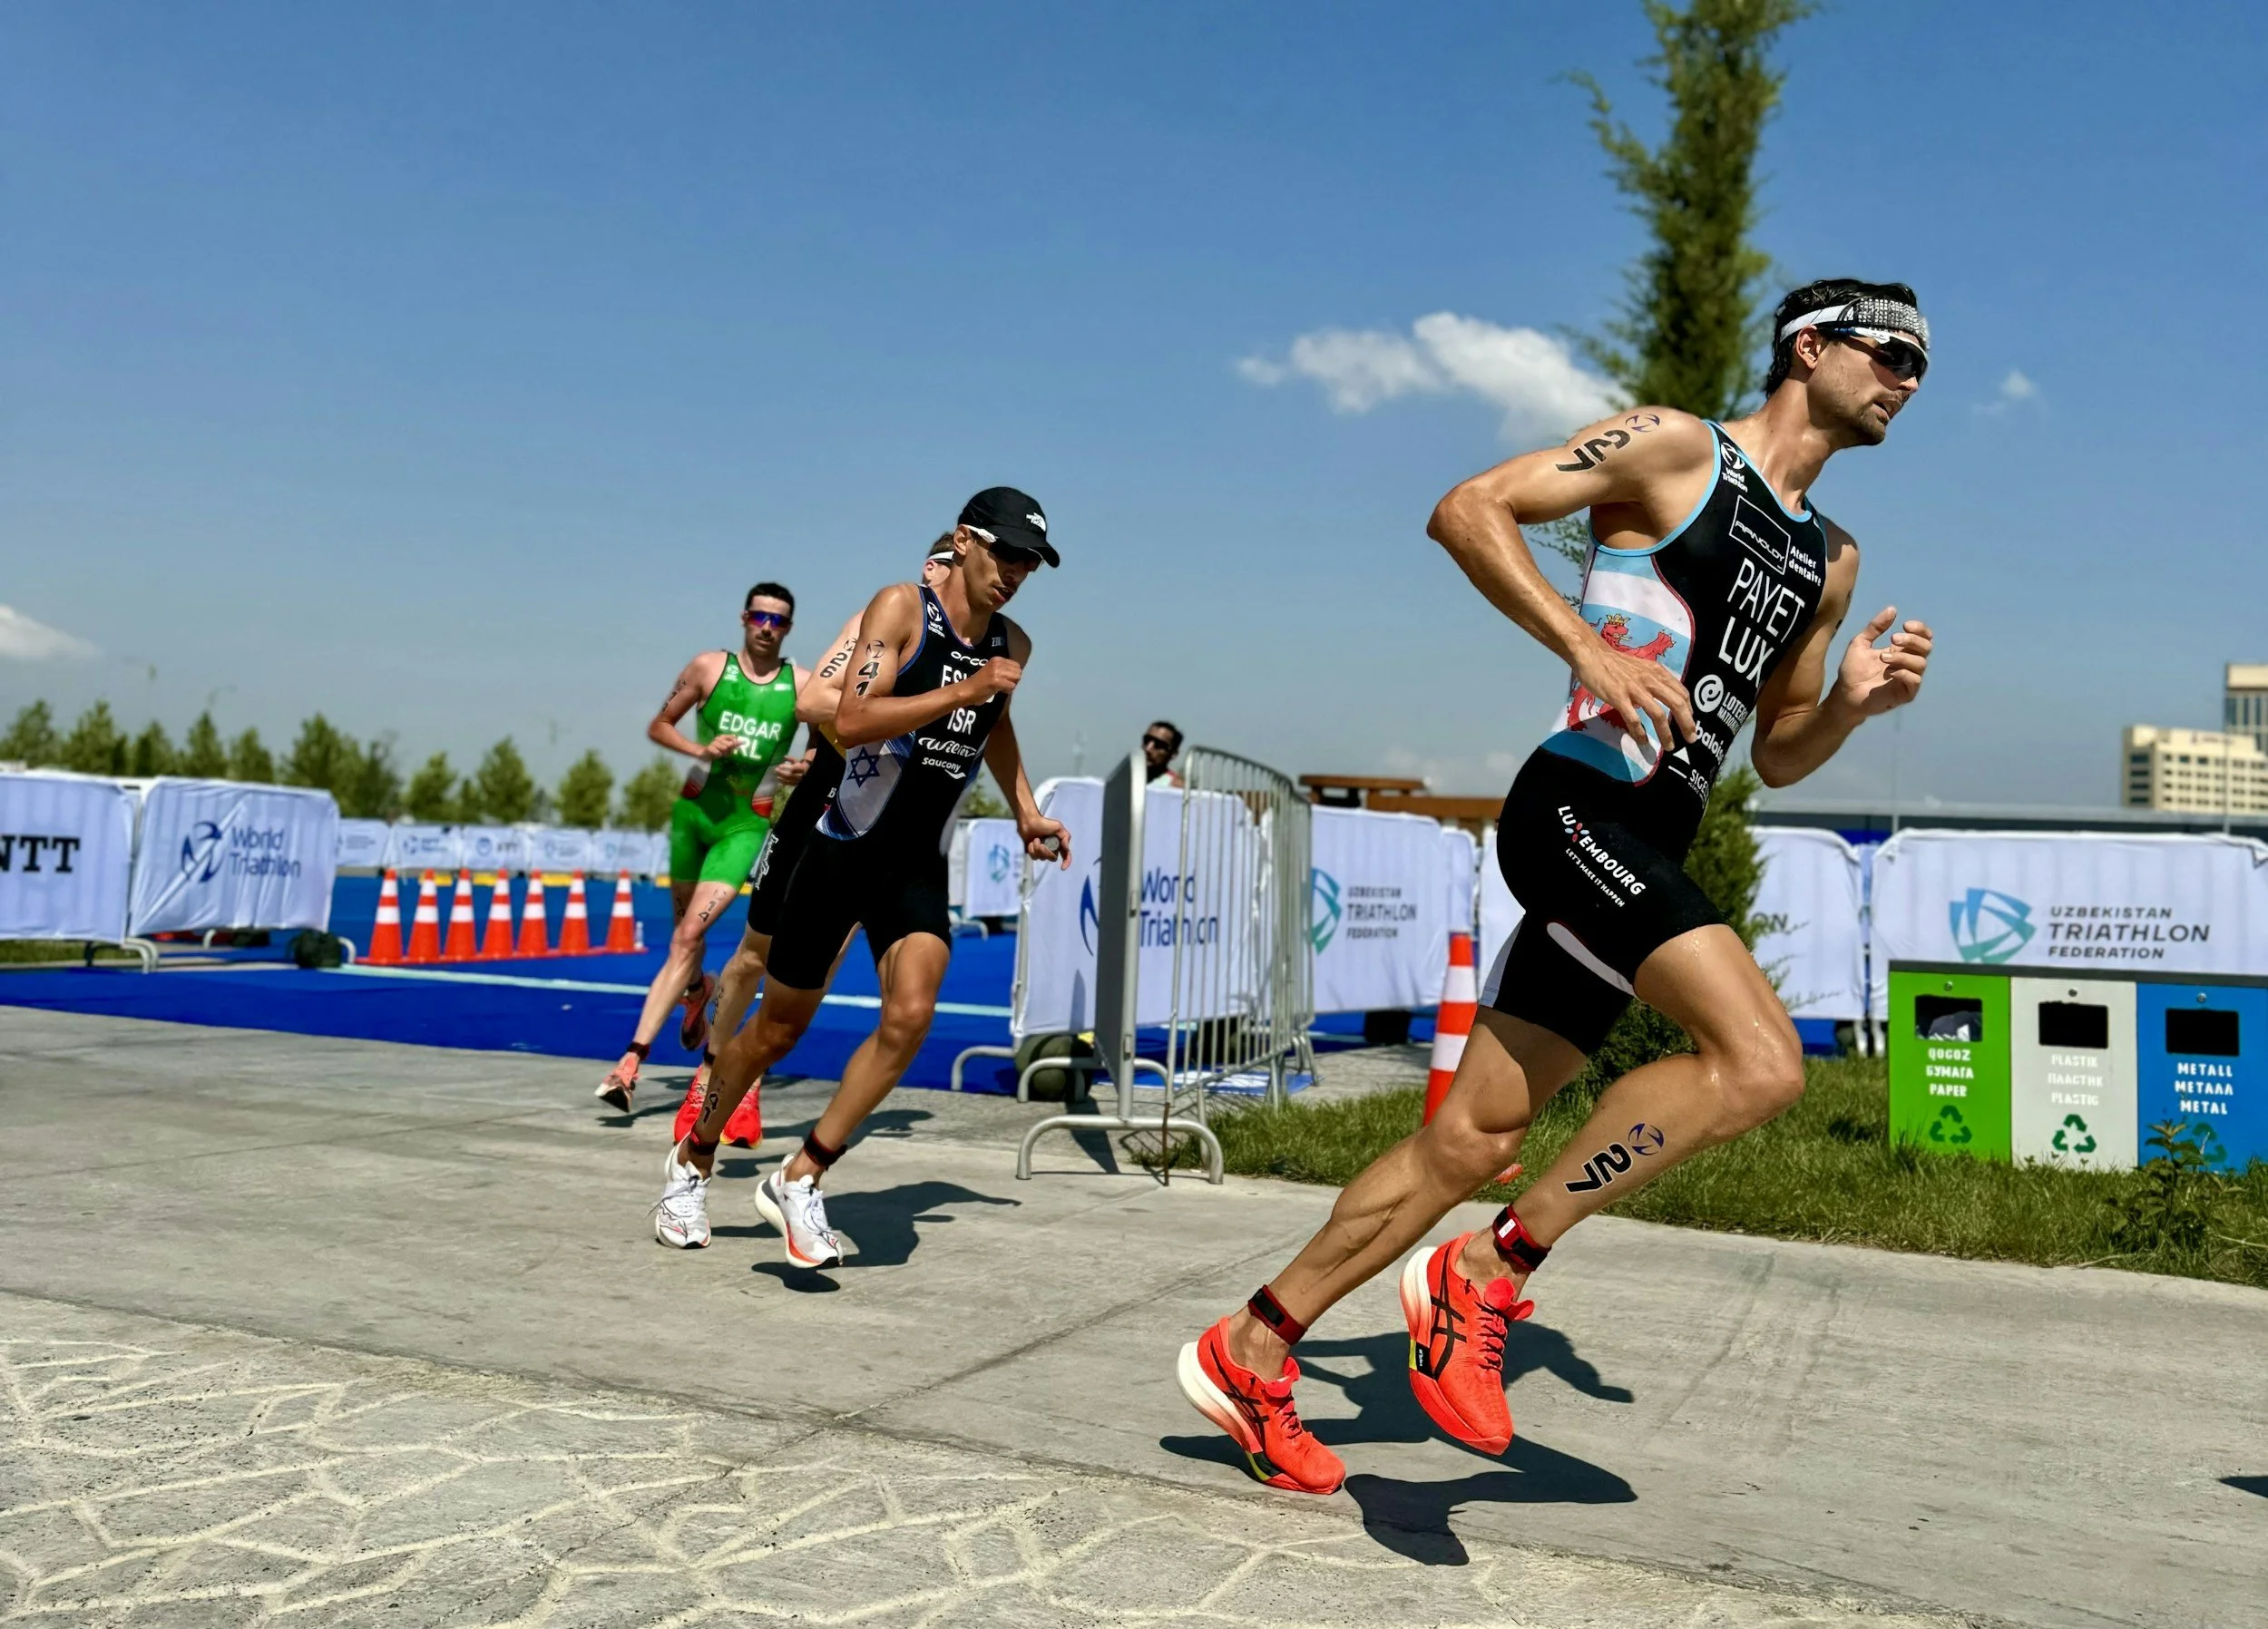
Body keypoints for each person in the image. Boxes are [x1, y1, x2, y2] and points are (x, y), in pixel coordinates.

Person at [1176, 278, 1938, 1495]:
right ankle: (1489, 1270)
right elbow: (1468, 510)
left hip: (1650, 841)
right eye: (1891, 350)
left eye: (1921, 368)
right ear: (1810, 345)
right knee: (1762, 1062)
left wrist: (1849, 701)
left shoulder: (1830, 561)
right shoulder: (1680, 448)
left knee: (1470, 1141)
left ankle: (1252, 1347)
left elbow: (1780, 753)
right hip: (1576, 808)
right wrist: (1584, 647)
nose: (1907, 378)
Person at [653, 488, 1072, 1253]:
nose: (1014, 573)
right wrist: (965, 688)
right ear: (964, 540)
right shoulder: (901, 610)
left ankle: (803, 1173)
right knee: (775, 1034)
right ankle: (693, 1157)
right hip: (844, 843)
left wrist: (1024, 811)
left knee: (911, 1012)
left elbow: (995, 725)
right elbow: (846, 717)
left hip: (913, 856)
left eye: (1029, 563)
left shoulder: (1014, 644)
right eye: (1004, 553)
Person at [674, 536, 961, 1147]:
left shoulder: (973, 649)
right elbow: (811, 701)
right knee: (755, 953)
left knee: (815, 970)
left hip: (881, 814)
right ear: (930, 566)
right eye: (947, 566)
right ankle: (710, 1075)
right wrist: (901, 710)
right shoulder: (881, 616)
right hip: (825, 791)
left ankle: (743, 1088)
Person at [595, 583, 829, 1112]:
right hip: (694, 815)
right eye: (760, 617)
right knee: (685, 945)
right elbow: (659, 725)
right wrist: (700, 747)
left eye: (779, 621)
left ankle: (629, 1064)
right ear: (745, 619)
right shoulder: (707, 668)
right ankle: (696, 991)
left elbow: (822, 749)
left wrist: (802, 768)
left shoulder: (804, 685)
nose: (767, 628)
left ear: (788, 629)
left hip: (746, 823)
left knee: (690, 931)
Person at [1141, 720, 1184, 785]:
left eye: (1158, 745)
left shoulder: (1175, 787)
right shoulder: (1125, 776)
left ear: (1173, 754)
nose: (1148, 749)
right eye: (1146, 741)